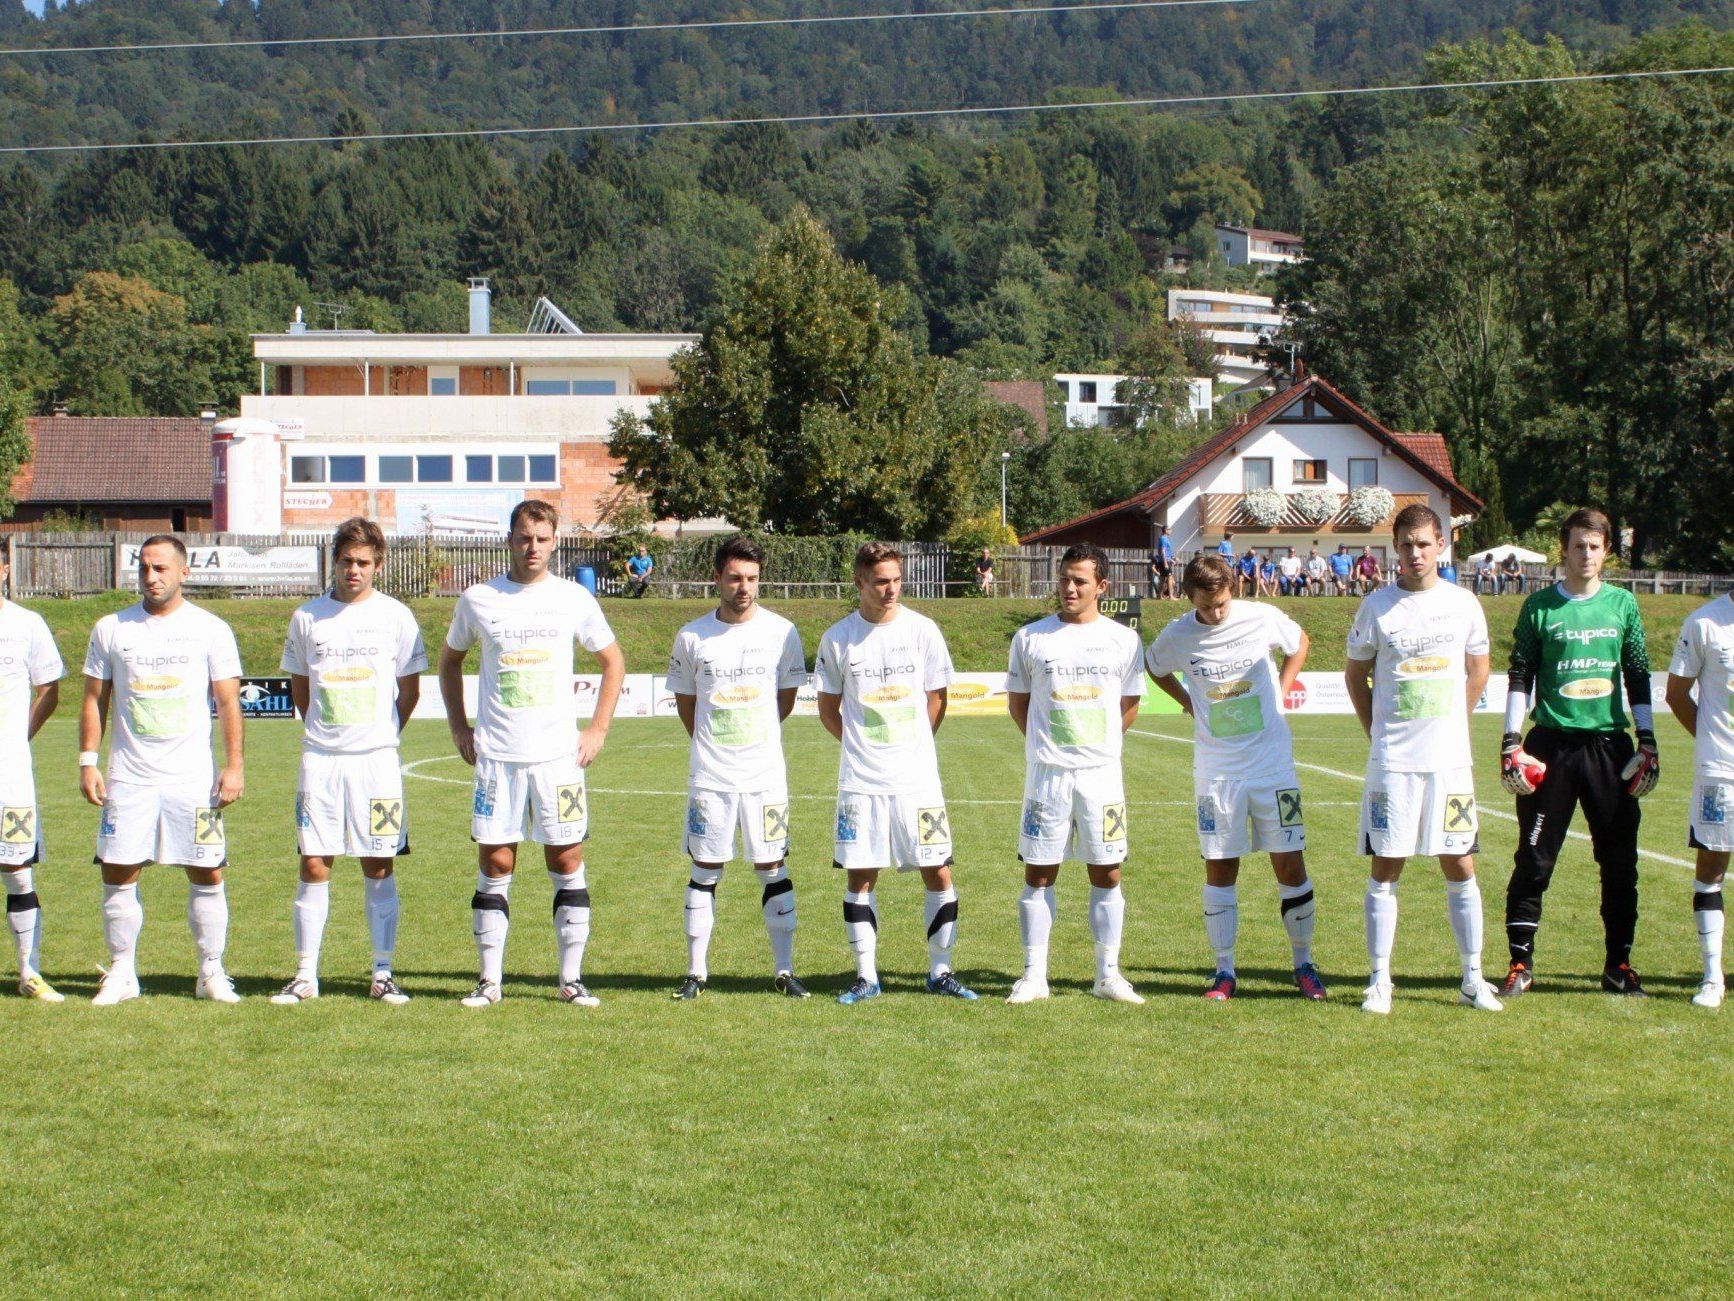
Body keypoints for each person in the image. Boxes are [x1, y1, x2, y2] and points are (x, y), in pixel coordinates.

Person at [440, 499, 626, 1008]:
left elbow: (612, 662)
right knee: (496, 861)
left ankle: (570, 980)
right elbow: (450, 661)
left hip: (556, 760)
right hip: (497, 758)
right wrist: (459, 726)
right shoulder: (479, 599)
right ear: (509, 539)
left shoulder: (573, 598)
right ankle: (489, 982)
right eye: (525, 538)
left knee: (567, 858)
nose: (533, 548)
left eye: (543, 539)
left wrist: (598, 730)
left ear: (555, 541)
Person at [1148, 554, 1326, 1001]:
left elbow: (1300, 641)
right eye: (1206, 607)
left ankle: (1304, 963)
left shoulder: (1261, 617)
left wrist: (1283, 690)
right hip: (1217, 773)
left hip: (1272, 765)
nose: (1216, 614)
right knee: (1220, 866)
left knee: (1289, 863)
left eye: (1222, 604)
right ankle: (1224, 972)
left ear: (1233, 591)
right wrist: (1188, 702)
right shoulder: (1179, 634)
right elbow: (1154, 667)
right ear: (1190, 598)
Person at [1345, 504, 1501, 1014]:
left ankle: (1472, 977)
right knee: (1387, 865)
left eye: (1424, 544)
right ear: (1396, 547)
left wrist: (1456, 717)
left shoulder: (1464, 604)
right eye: (1407, 544)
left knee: (1460, 863)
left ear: (1441, 545)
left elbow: (1479, 668)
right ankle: (1379, 979)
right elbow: (1355, 676)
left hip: (1449, 761)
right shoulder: (1377, 607)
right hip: (1393, 761)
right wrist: (1376, 733)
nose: (1415, 553)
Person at [80, 535, 246, 1005]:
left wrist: (234, 766)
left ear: (183, 572)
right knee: (118, 869)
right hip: (128, 776)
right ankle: (121, 972)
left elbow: (229, 701)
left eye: (161, 569)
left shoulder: (210, 629)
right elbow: (94, 699)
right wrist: (88, 762)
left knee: (207, 871)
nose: (152, 578)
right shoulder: (112, 628)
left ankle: (210, 973)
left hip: (192, 779)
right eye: (145, 569)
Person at [1498, 508, 1655, 998]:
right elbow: (1520, 673)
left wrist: (1647, 739)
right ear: (1562, 550)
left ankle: (1619, 964)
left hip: (1609, 749)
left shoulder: (1622, 605)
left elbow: (1638, 674)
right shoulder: (1540, 606)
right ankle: (1520, 964)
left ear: (1605, 550)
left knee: (1619, 861)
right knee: (1534, 860)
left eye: (1593, 546)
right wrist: (1510, 739)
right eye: (1576, 546)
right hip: (1551, 748)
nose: (1584, 554)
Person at [271, 519, 427, 1005]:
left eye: (363, 562)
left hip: (377, 763)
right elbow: (301, 688)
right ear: (333, 561)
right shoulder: (306, 618)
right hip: (320, 760)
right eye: (346, 561)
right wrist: (326, 731)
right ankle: (304, 976)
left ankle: (382, 974)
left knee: (378, 864)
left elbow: (410, 690)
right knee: (314, 863)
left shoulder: (397, 617)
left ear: (377, 565)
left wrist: (379, 736)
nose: (353, 570)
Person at [816, 543, 975, 1004]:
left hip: (917, 780)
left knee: (939, 872)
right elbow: (828, 708)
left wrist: (913, 747)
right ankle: (866, 976)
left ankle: (940, 972)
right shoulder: (838, 638)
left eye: (896, 579)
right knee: (860, 877)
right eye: (881, 581)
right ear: (860, 583)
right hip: (861, 781)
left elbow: (937, 697)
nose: (891, 589)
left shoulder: (923, 631)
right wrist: (861, 747)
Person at [667, 535, 812, 1000]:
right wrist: (716, 745)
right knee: (706, 867)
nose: (743, 587)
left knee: (772, 864)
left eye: (751, 578)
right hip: (710, 775)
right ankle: (695, 972)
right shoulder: (692, 636)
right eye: (734, 578)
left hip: (765, 775)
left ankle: (785, 971)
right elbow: (687, 705)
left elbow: (783, 701)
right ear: (718, 579)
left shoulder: (782, 632)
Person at [1004, 543, 1145, 1005]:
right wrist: (1048, 745)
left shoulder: (1123, 640)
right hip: (1048, 775)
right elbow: (1019, 704)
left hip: (1101, 775)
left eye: (1080, 580)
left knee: (1107, 872)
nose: (1069, 587)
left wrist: (1097, 743)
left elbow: (1129, 704)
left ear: (1102, 586)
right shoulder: (1031, 638)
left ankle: (1107, 975)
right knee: (1039, 873)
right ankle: (1034, 975)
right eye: (1064, 578)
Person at [0, 544, 64, 1001]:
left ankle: (29, 972)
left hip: (10, 773)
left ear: (3, 567)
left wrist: (18, 738)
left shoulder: (26, 624)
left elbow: (49, 690)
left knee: (17, 869)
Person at [1665, 587, 1734, 1007]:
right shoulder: (1705, 621)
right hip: (1721, 772)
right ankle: (1712, 978)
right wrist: (1711, 743)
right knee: (1711, 866)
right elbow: (1676, 695)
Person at [1151, 525, 1176, 599]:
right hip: (1165, 561)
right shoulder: (1164, 539)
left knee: (1162, 578)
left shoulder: (1164, 538)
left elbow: (1165, 552)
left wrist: (1172, 559)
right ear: (1166, 530)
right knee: (1170, 577)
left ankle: (1159, 596)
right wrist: (1165, 563)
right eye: (1170, 529)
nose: (1171, 531)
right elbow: (1162, 551)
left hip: (1165, 560)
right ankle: (1171, 596)